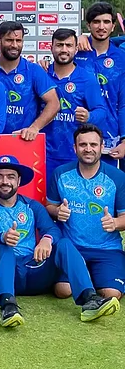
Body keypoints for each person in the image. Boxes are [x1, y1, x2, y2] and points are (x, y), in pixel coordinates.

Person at [0, 155, 120, 327]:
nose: (5, 181)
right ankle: (8, 307)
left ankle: (89, 299)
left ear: (19, 181)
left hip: (35, 270)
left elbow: (52, 229)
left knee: (64, 243)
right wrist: (2, 237)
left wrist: (46, 239)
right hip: (8, 274)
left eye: (10, 176)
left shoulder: (33, 206)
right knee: (5, 249)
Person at [46, 123, 125, 301]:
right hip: (72, 248)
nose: (88, 149)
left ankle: (97, 275)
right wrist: (57, 211)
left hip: (107, 249)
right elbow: (48, 206)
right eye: (83, 145)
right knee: (63, 290)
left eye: (93, 145)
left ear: (102, 147)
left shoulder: (118, 177)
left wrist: (115, 223)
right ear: (75, 148)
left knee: (112, 294)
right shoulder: (60, 173)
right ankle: (86, 276)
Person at [43, 29, 106, 177]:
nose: (64, 50)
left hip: (74, 154)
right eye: (59, 45)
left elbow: (101, 111)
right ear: (51, 47)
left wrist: (89, 116)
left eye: (69, 45)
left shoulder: (87, 79)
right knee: (44, 199)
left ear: (76, 49)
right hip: (42, 153)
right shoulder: (41, 74)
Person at [73, 2, 125, 167]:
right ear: (88, 25)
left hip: (109, 138)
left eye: (106, 22)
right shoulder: (75, 51)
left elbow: (124, 103)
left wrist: (124, 139)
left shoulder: (121, 58)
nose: (101, 26)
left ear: (113, 26)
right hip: (74, 135)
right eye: (96, 22)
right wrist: (45, 64)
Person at [0, 21, 59, 140]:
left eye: (18, 41)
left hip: (23, 141)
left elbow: (54, 103)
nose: (14, 45)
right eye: (9, 40)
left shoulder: (33, 70)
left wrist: (34, 127)